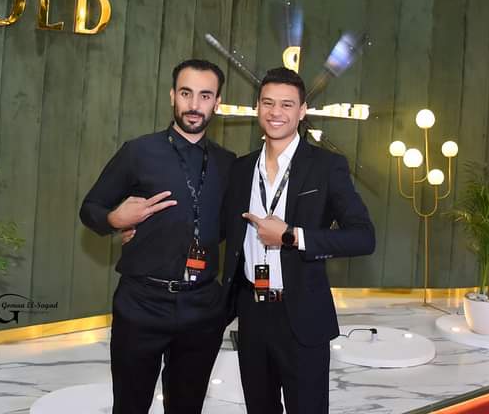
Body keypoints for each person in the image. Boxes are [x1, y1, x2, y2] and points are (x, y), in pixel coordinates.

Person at [80, 59, 236, 414]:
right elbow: (90, 208)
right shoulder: (138, 152)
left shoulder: (229, 163)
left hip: (202, 308)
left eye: (205, 95)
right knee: (130, 406)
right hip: (141, 304)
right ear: (172, 96)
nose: (194, 104)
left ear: (217, 102)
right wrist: (115, 219)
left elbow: (230, 230)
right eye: (186, 93)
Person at [222, 66, 376, 414]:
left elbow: (364, 237)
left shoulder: (326, 166)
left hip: (302, 315)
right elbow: (221, 228)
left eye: (287, 104)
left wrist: (292, 236)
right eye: (268, 103)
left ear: (302, 111)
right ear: (258, 107)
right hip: (251, 310)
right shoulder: (240, 169)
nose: (276, 112)